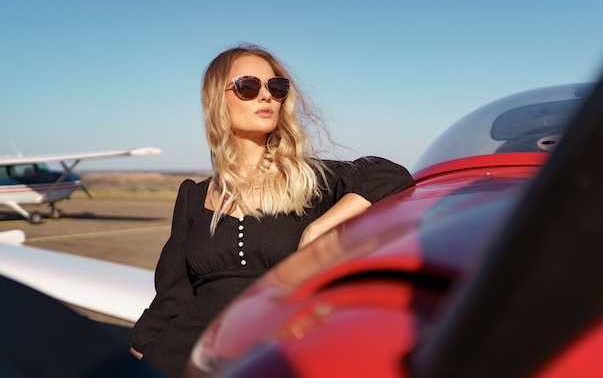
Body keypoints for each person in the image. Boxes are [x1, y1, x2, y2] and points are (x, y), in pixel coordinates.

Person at [129, 44, 414, 378]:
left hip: (278, 360)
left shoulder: (313, 180)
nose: (266, 96)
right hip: (183, 359)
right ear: (219, 99)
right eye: (248, 86)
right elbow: (172, 297)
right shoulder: (194, 196)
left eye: (276, 87)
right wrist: (141, 353)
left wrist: (320, 227)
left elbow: (389, 175)